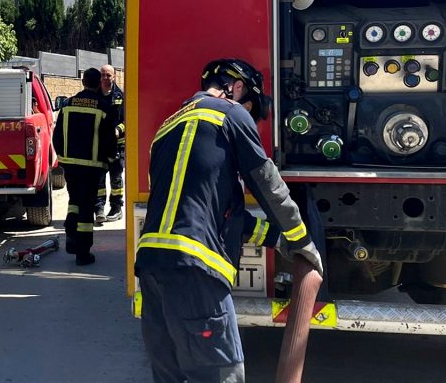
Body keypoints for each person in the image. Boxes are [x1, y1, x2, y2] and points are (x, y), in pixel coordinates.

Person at [135, 58, 323, 383]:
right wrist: (303, 241)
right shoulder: (230, 113)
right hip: (196, 273)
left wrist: (278, 240)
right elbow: (269, 185)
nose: (248, 116)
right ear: (235, 88)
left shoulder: (166, 129)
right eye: (249, 106)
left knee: (171, 376)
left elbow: (222, 215)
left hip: (152, 269)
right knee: (222, 375)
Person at [53, 67, 118, 266]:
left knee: (74, 200)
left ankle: (71, 237)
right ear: (99, 83)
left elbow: (57, 136)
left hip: (70, 165)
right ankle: (83, 253)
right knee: (87, 207)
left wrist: (62, 158)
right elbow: (109, 140)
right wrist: (110, 159)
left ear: (82, 81)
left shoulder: (67, 105)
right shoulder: (103, 107)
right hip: (92, 166)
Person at [95, 64, 125, 223]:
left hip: (116, 145)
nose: (105, 78)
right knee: (99, 179)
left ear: (114, 76)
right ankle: (99, 208)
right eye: (103, 75)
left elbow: (127, 120)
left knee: (116, 179)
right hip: (98, 146)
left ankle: (116, 208)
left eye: (108, 75)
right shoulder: (94, 96)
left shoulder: (121, 96)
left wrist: (117, 130)